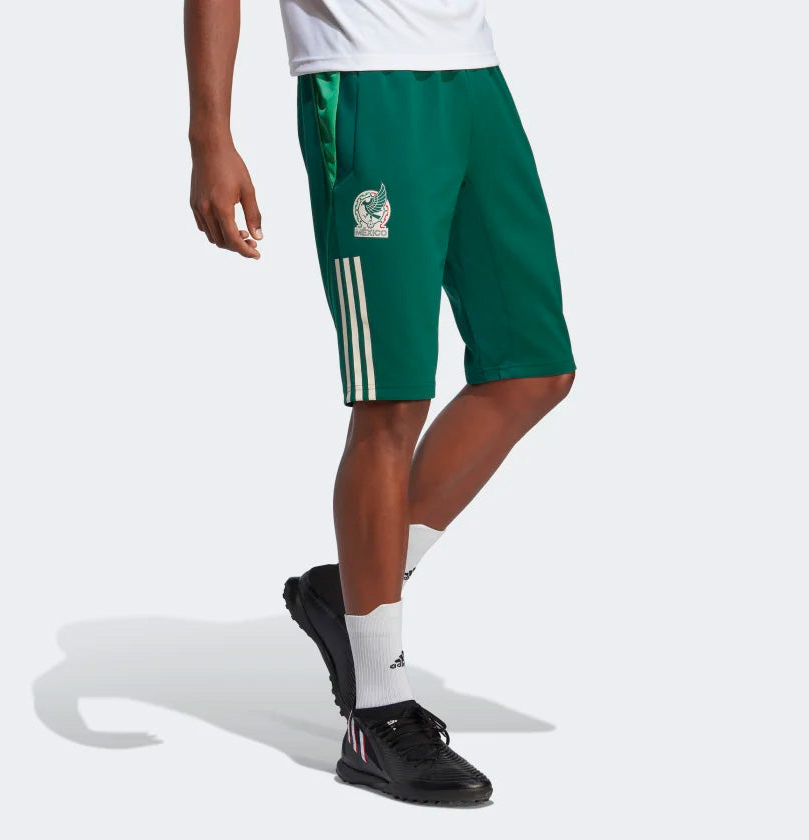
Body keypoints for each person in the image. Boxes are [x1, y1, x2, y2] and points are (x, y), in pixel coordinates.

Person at [184, 0, 575, 805]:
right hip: (367, 86)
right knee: (392, 400)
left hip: (473, 78)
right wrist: (211, 137)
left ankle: (353, 590)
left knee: (532, 369)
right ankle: (377, 711)